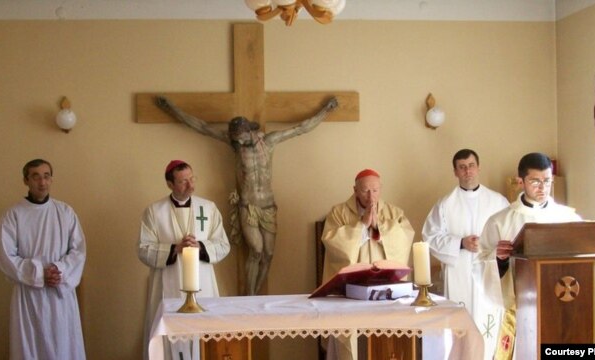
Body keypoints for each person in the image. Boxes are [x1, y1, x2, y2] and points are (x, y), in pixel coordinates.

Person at [155, 96, 338, 295]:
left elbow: (301, 128)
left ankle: (256, 294)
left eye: (241, 138)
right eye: (235, 139)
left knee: (268, 254)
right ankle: (249, 296)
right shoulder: (235, 145)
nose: (238, 142)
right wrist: (172, 108)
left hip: (268, 206)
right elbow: (202, 127)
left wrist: (325, 111)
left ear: (249, 132)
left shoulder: (270, 141)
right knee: (256, 251)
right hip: (248, 206)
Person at [478, 152, 582, 359]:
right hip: (519, 310)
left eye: (547, 181)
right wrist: (498, 259)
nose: (542, 187)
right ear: (521, 181)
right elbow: (481, 262)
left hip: (561, 306)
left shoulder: (568, 218)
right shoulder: (500, 221)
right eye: (535, 181)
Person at [138, 160, 230, 360]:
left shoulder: (209, 208)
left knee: (203, 337)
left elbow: (223, 245)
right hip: (168, 286)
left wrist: (201, 247)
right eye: (183, 181)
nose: (190, 185)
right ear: (170, 185)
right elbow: (144, 249)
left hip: (202, 285)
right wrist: (175, 249)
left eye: (191, 179)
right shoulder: (154, 211)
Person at [422, 149, 509, 359]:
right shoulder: (445, 204)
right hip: (459, 273)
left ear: (478, 167)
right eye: (462, 167)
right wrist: (460, 243)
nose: (467, 171)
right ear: (455, 172)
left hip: (489, 274)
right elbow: (429, 237)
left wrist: (493, 247)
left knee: (488, 329)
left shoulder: (498, 202)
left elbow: (510, 236)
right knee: (460, 333)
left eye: (471, 166)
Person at [0, 159, 87, 360]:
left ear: (52, 179)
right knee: (30, 348)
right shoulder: (13, 215)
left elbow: (78, 250)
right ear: (25, 180)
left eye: (46, 176)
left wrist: (59, 271)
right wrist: (38, 273)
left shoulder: (65, 212)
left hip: (60, 294)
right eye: (35, 176)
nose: (42, 182)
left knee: (63, 346)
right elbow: (6, 257)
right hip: (29, 296)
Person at [321, 169, 415, 360]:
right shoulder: (338, 213)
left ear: (381, 189)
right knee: (347, 337)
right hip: (350, 290)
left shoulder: (394, 212)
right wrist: (362, 226)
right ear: (355, 190)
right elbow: (332, 241)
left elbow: (405, 239)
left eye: (375, 190)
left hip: (384, 288)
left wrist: (379, 228)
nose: (371, 196)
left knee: (388, 338)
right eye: (365, 191)